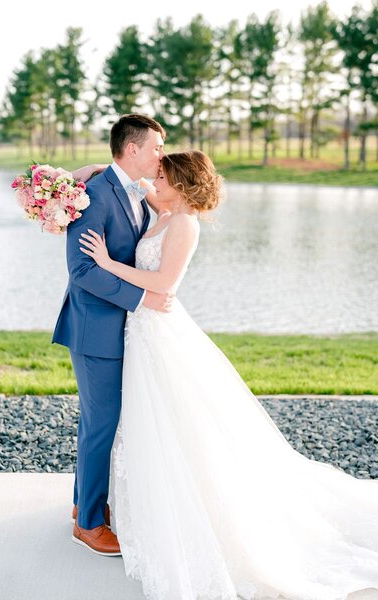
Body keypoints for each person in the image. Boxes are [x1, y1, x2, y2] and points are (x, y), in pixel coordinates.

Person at [78, 149, 378, 600]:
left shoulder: (183, 223)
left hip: (157, 326)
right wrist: (94, 172)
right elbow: (118, 179)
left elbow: (163, 284)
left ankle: (192, 513)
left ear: (179, 185)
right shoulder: (163, 206)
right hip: (140, 332)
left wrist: (106, 263)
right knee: (147, 420)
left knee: (178, 421)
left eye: (161, 176)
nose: (153, 180)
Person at [52, 114, 173, 556]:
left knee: (98, 422)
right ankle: (89, 524)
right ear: (133, 148)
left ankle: (82, 503)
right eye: (157, 146)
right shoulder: (94, 196)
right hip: (95, 329)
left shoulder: (135, 191)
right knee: (101, 424)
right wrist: (142, 300)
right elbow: (82, 271)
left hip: (125, 331)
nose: (161, 154)